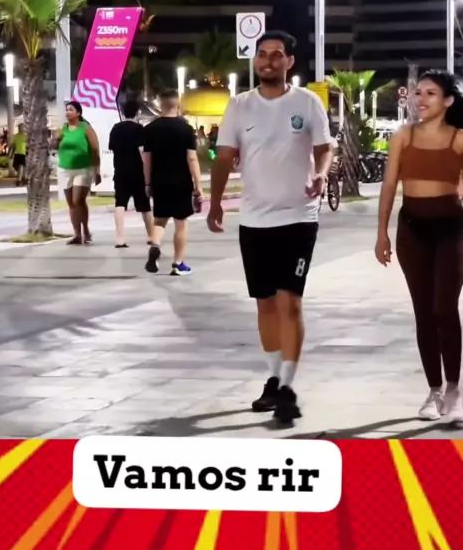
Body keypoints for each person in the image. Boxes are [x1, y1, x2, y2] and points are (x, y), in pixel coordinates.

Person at [207, 31, 333, 426]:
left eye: (277, 55)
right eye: (262, 54)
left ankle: (288, 387)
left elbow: (324, 147)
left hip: (298, 217)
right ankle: (274, 378)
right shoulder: (239, 106)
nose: (268, 61)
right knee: (264, 303)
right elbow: (224, 158)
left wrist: (322, 174)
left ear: (289, 62)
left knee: (289, 302)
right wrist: (214, 203)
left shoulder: (307, 102)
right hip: (254, 220)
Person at [376, 70, 463, 424]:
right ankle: (434, 391)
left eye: (431, 93)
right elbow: (389, 185)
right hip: (411, 229)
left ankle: (454, 390)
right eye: (418, 93)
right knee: (423, 311)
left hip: (452, 230)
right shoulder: (403, 136)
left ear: (448, 101)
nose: (421, 99)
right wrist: (381, 233)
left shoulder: (459, 138)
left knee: (445, 307)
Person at [142, 89, 203, 276]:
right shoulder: (186, 129)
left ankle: (155, 245)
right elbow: (192, 158)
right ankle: (178, 263)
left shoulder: (150, 129)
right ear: (178, 103)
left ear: (160, 104)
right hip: (181, 181)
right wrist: (198, 186)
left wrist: (147, 183)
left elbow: (146, 159)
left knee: (160, 219)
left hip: (159, 181)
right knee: (181, 223)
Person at [108, 99, 153, 248]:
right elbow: (142, 151)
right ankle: (151, 235)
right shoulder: (140, 129)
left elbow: (113, 148)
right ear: (137, 113)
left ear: (123, 112)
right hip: (137, 171)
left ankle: (120, 238)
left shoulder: (116, 128)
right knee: (144, 204)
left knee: (120, 203)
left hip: (120, 170)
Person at [56, 101, 101, 244]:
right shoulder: (63, 129)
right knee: (71, 203)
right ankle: (77, 234)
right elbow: (55, 144)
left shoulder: (85, 128)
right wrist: (54, 141)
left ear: (78, 113)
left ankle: (86, 230)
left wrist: (97, 170)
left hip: (83, 169)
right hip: (65, 169)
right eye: (66, 109)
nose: (67, 112)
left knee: (78, 200)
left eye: (71, 109)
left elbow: (95, 149)